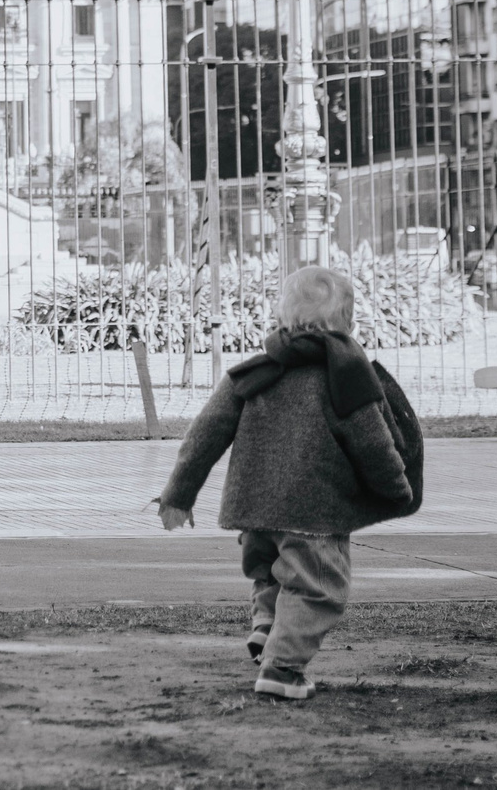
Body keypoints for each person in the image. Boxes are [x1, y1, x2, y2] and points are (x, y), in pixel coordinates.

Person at [155, 266, 422, 701]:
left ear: (282, 317)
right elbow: (374, 444)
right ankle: (282, 670)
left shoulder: (252, 373)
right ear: (347, 324)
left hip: (253, 511)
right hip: (312, 516)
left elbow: (202, 437)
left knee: (271, 571)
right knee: (317, 589)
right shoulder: (347, 379)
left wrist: (178, 496)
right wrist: (396, 488)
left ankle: (266, 626)